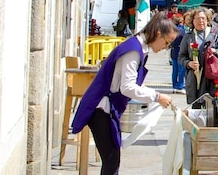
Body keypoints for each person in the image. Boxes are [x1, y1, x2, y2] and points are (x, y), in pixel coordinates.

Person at [70, 12, 176, 175]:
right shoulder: (133, 51)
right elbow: (127, 87)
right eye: (167, 42)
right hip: (101, 109)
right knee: (112, 161)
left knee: (112, 160)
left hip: (105, 108)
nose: (165, 48)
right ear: (158, 33)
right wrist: (157, 96)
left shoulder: (138, 48)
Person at [178, 7, 218, 105]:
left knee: (216, 106)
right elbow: (181, 57)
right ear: (192, 21)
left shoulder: (217, 33)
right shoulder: (188, 37)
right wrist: (189, 63)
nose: (201, 21)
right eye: (198, 19)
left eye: (203, 18)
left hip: (214, 77)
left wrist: (216, 51)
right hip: (196, 79)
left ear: (207, 19)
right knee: (197, 108)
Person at [169, 14, 187, 93]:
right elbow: (185, 41)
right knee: (181, 70)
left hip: (173, 51)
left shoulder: (171, 30)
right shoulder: (182, 31)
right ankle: (180, 85)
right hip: (180, 51)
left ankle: (174, 85)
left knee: (175, 70)